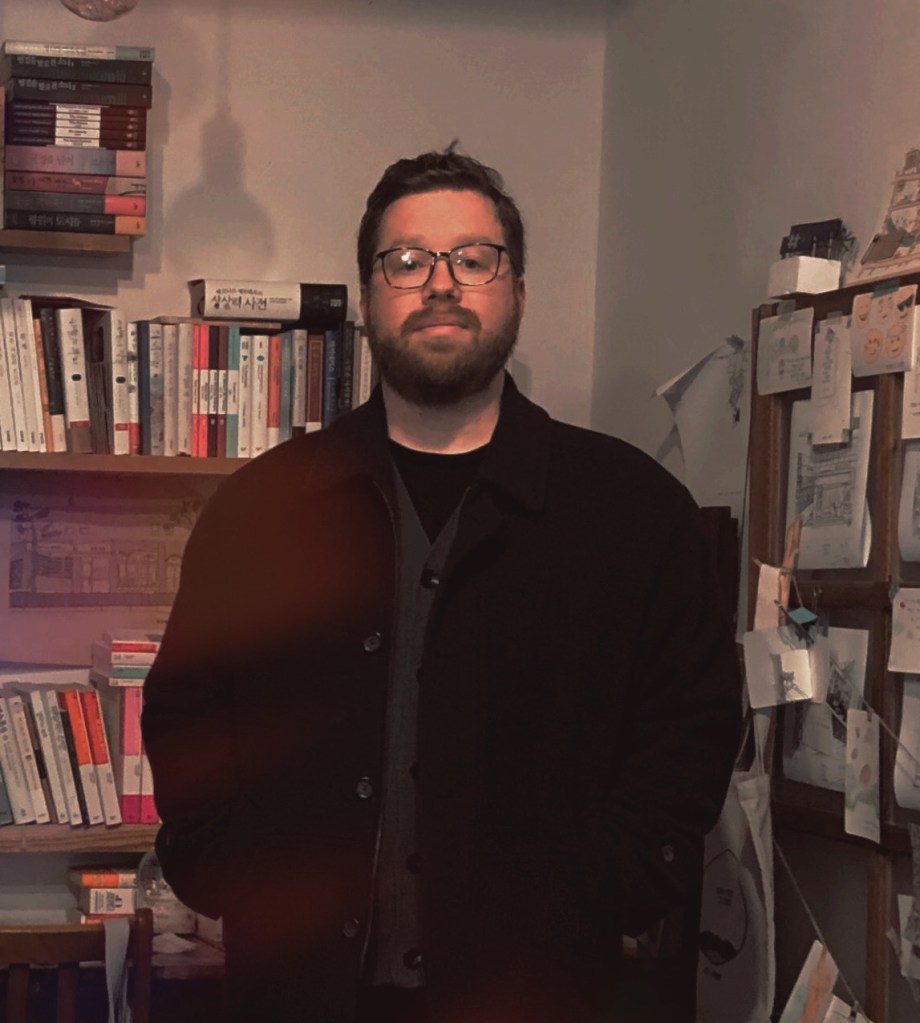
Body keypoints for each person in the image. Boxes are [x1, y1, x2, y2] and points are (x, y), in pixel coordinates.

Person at [142, 145, 742, 1023]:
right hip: (298, 994)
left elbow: (690, 733)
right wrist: (233, 873)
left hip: (542, 994)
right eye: (407, 260)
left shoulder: (635, 514)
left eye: (473, 258)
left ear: (518, 292)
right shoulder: (261, 510)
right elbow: (187, 714)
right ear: (368, 299)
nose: (440, 283)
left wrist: (599, 890)